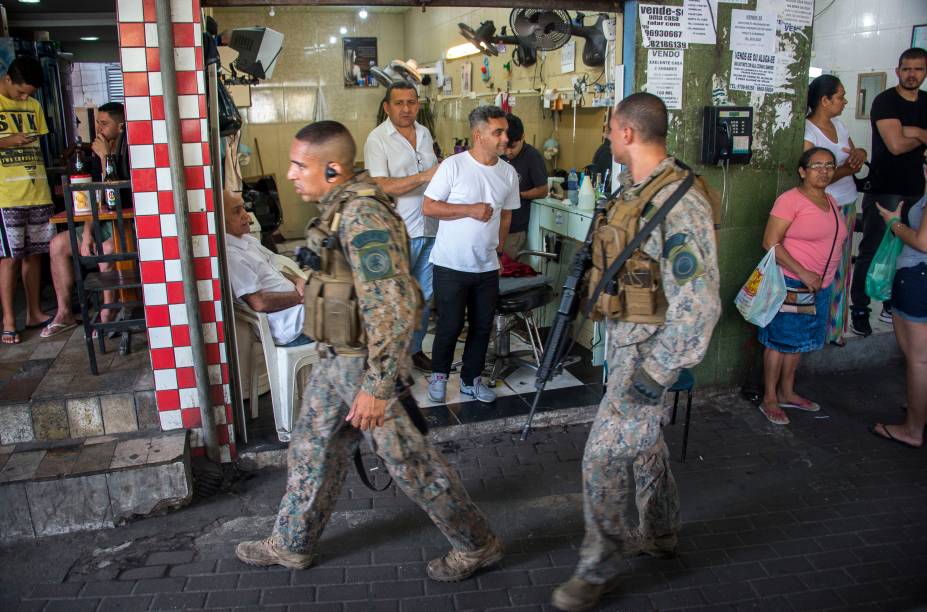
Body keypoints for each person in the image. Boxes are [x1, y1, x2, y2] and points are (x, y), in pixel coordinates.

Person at [235, 121, 503, 581]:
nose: (291, 173)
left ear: (333, 168)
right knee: (311, 449)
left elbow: (394, 309)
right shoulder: (337, 209)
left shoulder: (364, 217)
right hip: (335, 361)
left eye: (301, 165)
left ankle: (476, 543)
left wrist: (378, 389)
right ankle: (292, 542)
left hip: (366, 368)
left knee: (410, 462)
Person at [551, 93, 721, 612]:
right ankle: (663, 530)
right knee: (643, 443)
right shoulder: (633, 189)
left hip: (652, 353)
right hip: (628, 343)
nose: (606, 137)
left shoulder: (679, 201)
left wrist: (660, 368)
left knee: (603, 455)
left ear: (626, 133)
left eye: (609, 129)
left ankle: (597, 568)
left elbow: (700, 302)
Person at [423, 106, 520, 404]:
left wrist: (499, 248)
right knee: (450, 325)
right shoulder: (453, 166)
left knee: (481, 327)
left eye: (505, 132)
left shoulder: (508, 173)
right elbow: (429, 207)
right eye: (498, 132)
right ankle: (439, 376)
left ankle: (471, 380)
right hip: (450, 264)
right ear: (479, 135)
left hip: (487, 266)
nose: (506, 138)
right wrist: (469, 209)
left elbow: (505, 216)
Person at [758, 147, 848, 426]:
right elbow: (770, 242)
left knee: (797, 343)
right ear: (802, 171)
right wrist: (804, 272)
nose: (824, 171)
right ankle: (769, 398)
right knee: (779, 341)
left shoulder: (831, 200)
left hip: (819, 285)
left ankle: (787, 391)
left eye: (829, 166)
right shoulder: (790, 201)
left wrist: (822, 277)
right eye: (817, 165)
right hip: (793, 281)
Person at [851, 47, 927, 336]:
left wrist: (914, 132)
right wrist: (923, 135)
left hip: (918, 191)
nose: (912, 74)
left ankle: (891, 305)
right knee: (871, 251)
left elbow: (903, 138)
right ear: (898, 70)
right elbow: (894, 145)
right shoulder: (885, 101)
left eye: (918, 69)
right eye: (907, 69)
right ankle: (859, 308)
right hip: (886, 190)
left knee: (909, 252)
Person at [364, 81, 439, 372]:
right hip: (400, 232)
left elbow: (434, 176)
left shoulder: (424, 133)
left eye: (411, 102)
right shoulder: (377, 139)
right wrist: (424, 176)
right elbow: (381, 185)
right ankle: (389, 360)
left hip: (431, 227)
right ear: (387, 107)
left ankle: (415, 349)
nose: (406, 108)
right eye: (399, 103)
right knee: (396, 300)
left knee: (423, 297)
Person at [40, 102, 128, 338]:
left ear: (120, 126)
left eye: (104, 123)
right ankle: (65, 312)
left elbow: (116, 197)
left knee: (108, 249)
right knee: (57, 244)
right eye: (97, 122)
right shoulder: (98, 154)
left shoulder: (125, 152)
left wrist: (105, 157)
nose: (98, 128)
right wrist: (87, 232)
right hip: (100, 223)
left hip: (125, 225)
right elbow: (96, 200)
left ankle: (108, 312)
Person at [803, 75, 867, 346]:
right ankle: (815, 329)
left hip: (847, 203)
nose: (845, 101)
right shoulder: (808, 132)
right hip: (824, 208)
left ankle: (835, 329)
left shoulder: (839, 125)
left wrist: (860, 153)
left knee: (842, 269)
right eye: (840, 96)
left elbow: (854, 158)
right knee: (821, 268)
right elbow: (814, 176)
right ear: (824, 100)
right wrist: (842, 170)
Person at [870, 151, 927, 449]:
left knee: (917, 358)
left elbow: (923, 242)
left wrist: (894, 222)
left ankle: (913, 428)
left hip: (918, 276)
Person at [0, 57, 54, 344]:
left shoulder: (33, 106)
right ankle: (9, 320)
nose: (24, 98)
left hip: (37, 190)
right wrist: (8, 141)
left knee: (35, 253)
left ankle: (34, 312)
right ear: (7, 79)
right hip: (5, 195)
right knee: (10, 258)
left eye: (28, 94)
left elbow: (40, 146)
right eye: (21, 92)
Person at [224, 189, 311, 347]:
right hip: (289, 325)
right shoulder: (232, 256)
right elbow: (259, 303)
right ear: (220, 220)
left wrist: (297, 279)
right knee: (348, 314)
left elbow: (272, 271)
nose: (247, 216)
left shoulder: (247, 241)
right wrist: (300, 297)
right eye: (237, 212)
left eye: (244, 208)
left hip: (298, 310)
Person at [500, 113, 547, 258]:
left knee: (505, 270)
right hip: (494, 225)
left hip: (515, 229)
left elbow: (543, 190)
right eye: (505, 147)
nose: (508, 152)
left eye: (513, 147)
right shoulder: (498, 154)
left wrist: (518, 195)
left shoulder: (533, 157)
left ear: (523, 137)